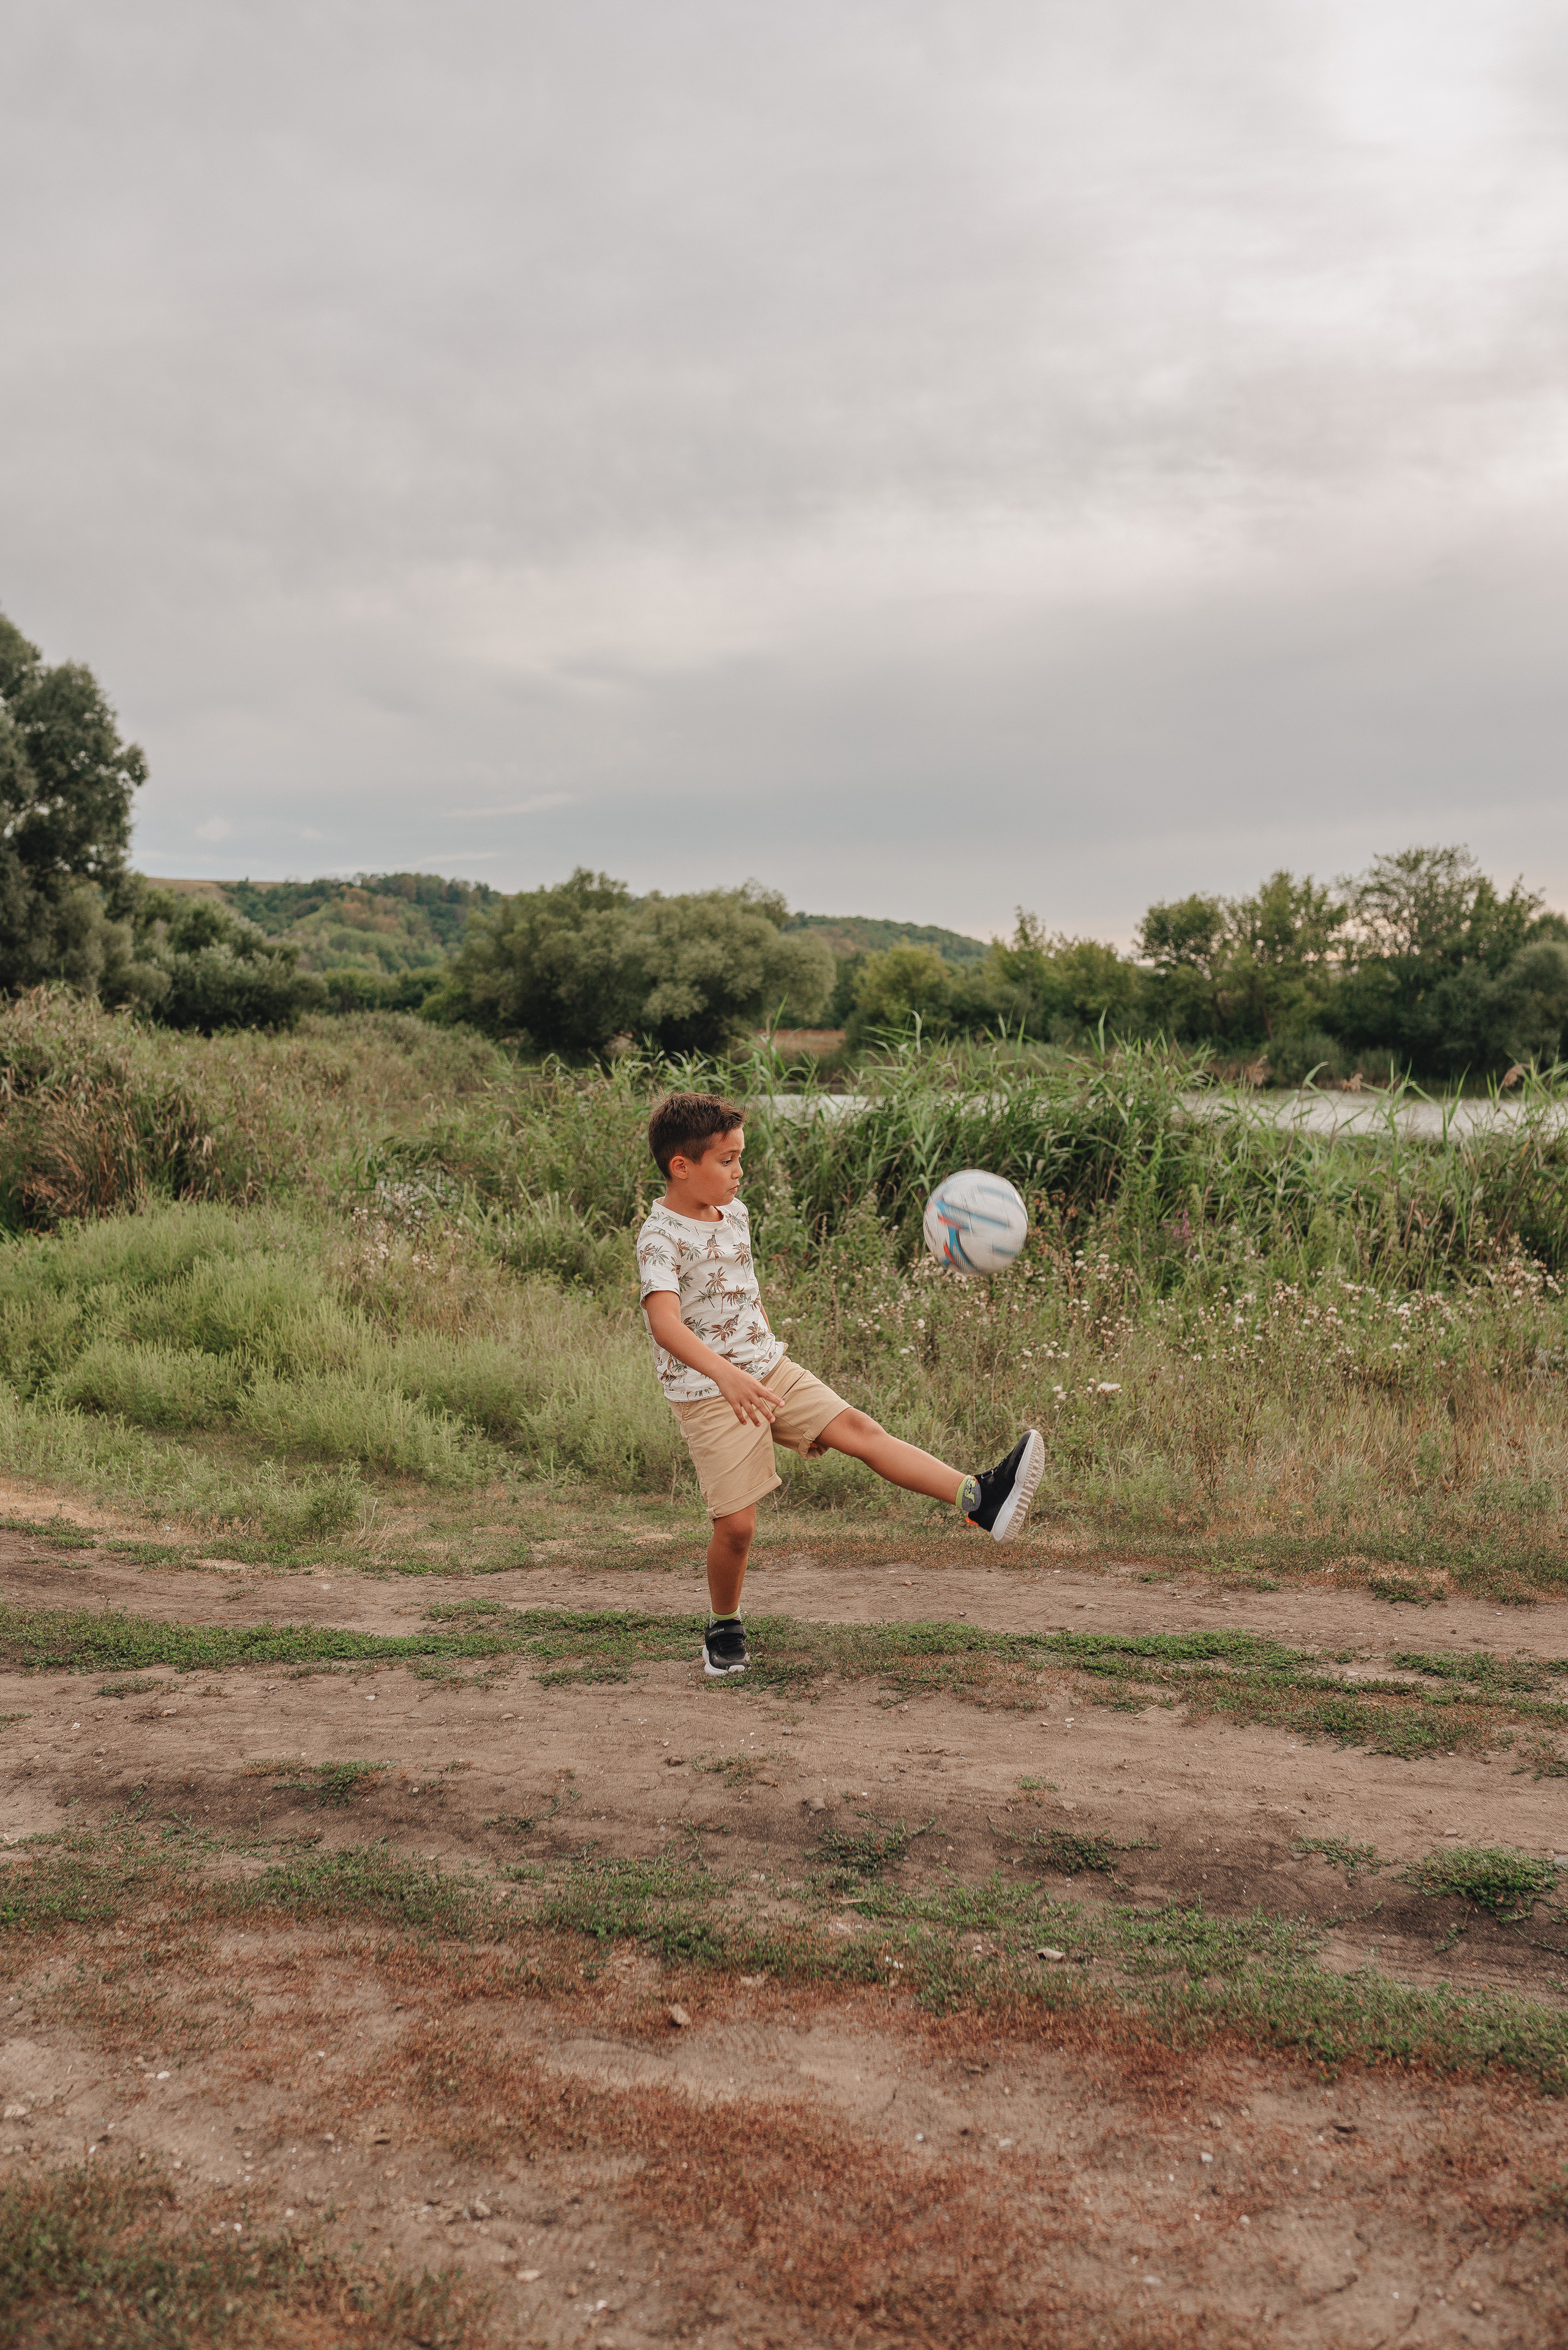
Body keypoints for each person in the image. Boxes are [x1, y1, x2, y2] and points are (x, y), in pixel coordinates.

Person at [635, 1090, 1044, 1676]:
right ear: (682, 1166)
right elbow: (665, 1322)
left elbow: (743, 1299)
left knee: (859, 1429)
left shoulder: (737, 1214)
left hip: (769, 1370)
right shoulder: (659, 1237)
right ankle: (723, 1624)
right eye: (727, 1160)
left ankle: (980, 1497)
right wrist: (729, 1378)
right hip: (712, 1393)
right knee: (738, 1527)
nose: (739, 1170)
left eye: (740, 1157)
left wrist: (790, 1408)